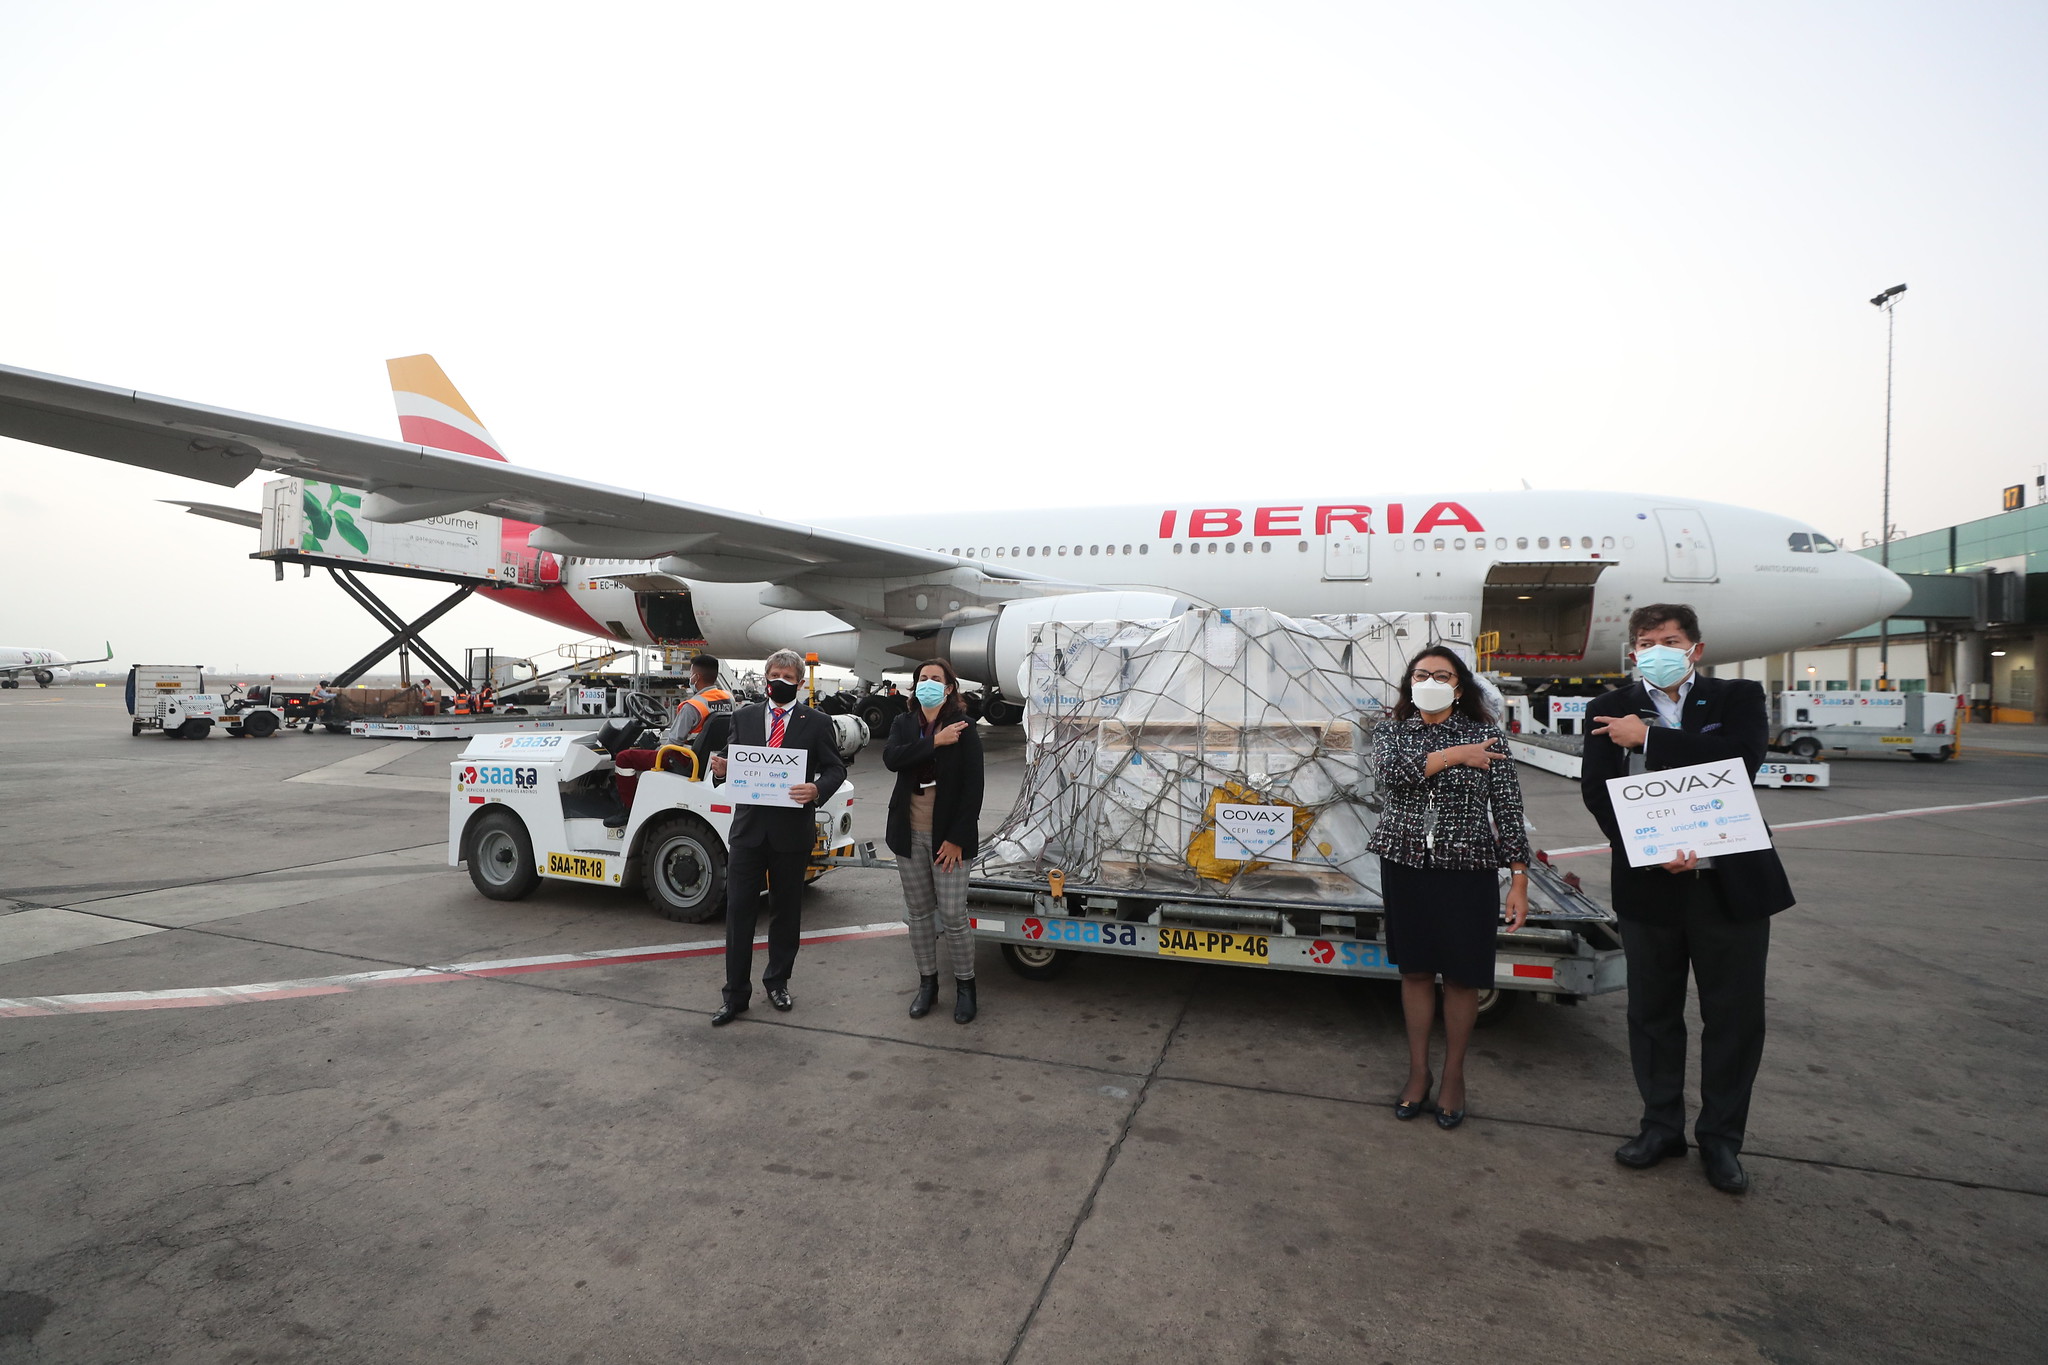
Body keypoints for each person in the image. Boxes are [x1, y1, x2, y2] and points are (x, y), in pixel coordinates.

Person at [1582, 604, 1794, 1195]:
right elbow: (1598, 794)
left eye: (1670, 640)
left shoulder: (1738, 697)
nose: (1657, 649)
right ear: (1633, 652)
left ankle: (1721, 1141)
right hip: (1652, 885)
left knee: (1733, 1018)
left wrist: (1649, 737)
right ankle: (1660, 1126)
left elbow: (1740, 762)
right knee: (1652, 1014)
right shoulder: (1606, 709)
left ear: (1694, 648)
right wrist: (1652, 848)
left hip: (1729, 883)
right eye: (1646, 641)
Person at [1367, 646, 1530, 1130]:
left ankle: (1454, 1076)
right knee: (1415, 972)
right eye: (1421, 674)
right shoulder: (1392, 732)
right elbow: (1390, 776)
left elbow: (1507, 808)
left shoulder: (1487, 734)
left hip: (1468, 867)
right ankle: (1419, 1072)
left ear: (1460, 686)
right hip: (1405, 863)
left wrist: (1518, 877)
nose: (1431, 681)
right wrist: (1456, 756)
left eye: (1442, 674)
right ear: (1409, 684)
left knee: (1462, 977)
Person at [706, 649, 847, 1026]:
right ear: (765, 677)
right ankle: (735, 995)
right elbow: (728, 763)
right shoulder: (744, 716)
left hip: (791, 834)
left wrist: (817, 790)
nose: (779, 680)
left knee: (786, 913)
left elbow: (835, 767)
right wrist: (720, 767)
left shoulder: (816, 722)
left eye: (788, 676)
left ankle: (777, 982)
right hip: (749, 833)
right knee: (739, 914)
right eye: (774, 674)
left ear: (800, 683)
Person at [882, 660, 986, 1023]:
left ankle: (965, 987)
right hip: (908, 835)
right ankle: (927, 985)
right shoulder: (903, 724)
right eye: (922, 678)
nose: (928, 683)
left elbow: (973, 788)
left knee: (955, 915)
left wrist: (957, 838)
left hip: (948, 840)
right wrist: (933, 742)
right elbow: (892, 758)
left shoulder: (965, 728)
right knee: (920, 915)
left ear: (949, 687)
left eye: (936, 679)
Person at [607, 655, 735, 825]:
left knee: (624, 758)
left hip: (686, 759)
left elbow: (673, 744)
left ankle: (628, 810)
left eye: (691, 674)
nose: (690, 678)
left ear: (696, 677)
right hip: (710, 759)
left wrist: (656, 749)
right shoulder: (728, 699)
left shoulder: (693, 706)